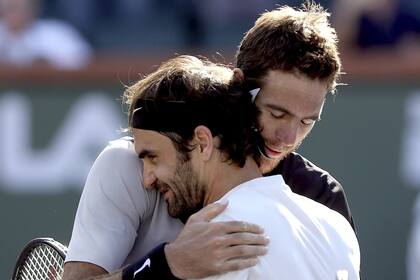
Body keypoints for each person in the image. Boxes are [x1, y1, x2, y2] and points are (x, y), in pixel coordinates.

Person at [63, 3, 355, 280]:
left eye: (306, 122)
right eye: (276, 113)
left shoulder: (322, 200)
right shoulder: (127, 167)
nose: (289, 137)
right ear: (240, 88)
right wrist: (170, 264)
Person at [0, 0, 91, 69]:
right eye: (9, 8)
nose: (13, 14)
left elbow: (85, 60)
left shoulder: (56, 33)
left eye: (17, 8)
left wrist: (47, 63)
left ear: (33, 9)